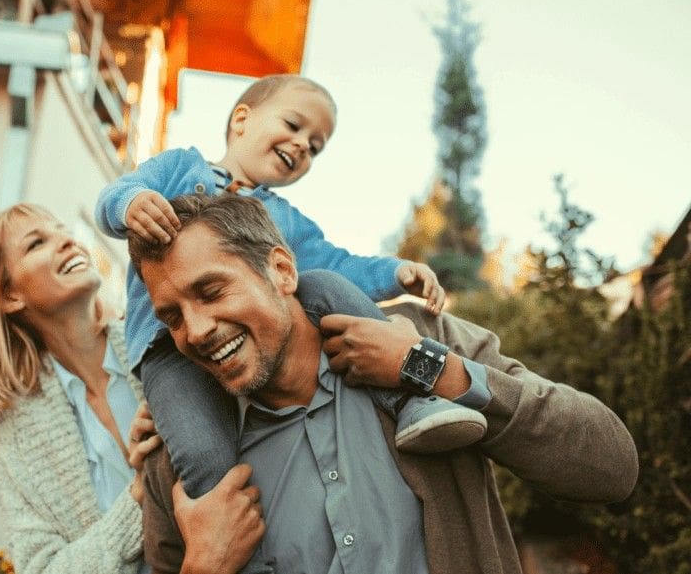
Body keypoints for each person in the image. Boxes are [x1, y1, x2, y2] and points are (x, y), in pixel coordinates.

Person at [130, 193, 639, 574]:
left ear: (282, 271)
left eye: (212, 291)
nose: (195, 331)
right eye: (172, 317)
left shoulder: (423, 341)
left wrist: (432, 371)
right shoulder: (178, 463)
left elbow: (610, 467)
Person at [95, 74, 482, 541]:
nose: (302, 146)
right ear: (242, 119)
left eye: (315, 147)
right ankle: (231, 538)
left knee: (323, 284)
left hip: (252, 338)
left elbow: (339, 263)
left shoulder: (283, 221)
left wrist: (396, 272)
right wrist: (130, 204)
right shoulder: (179, 168)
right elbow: (116, 194)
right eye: (294, 126)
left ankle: (411, 401)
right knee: (202, 454)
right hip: (169, 351)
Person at [0, 203, 162, 574]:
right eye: (37, 243)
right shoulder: (15, 430)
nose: (68, 241)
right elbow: (42, 569)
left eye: (63, 230)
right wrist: (139, 497)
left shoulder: (155, 350)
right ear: (10, 297)